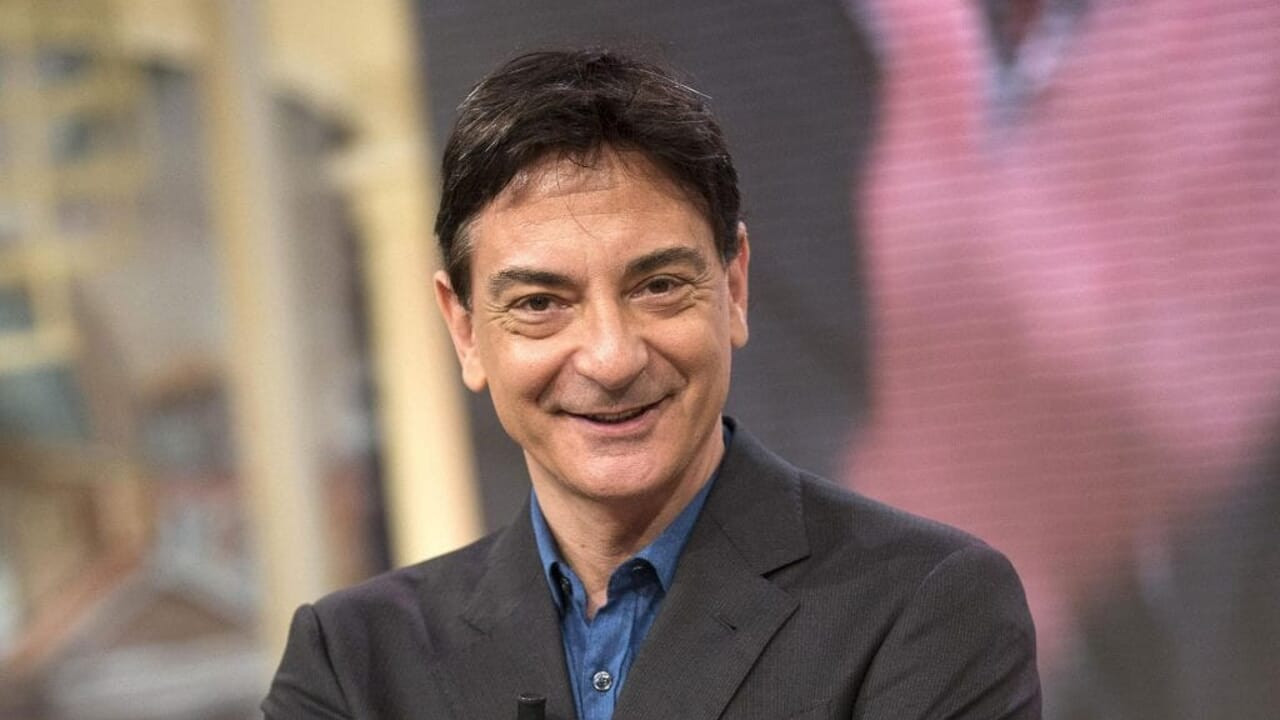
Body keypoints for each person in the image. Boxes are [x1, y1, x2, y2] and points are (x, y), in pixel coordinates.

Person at [262, 49, 1041, 720]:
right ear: (465, 330)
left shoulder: (924, 606)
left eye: (659, 287)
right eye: (540, 304)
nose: (611, 358)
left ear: (734, 286)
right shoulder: (353, 663)